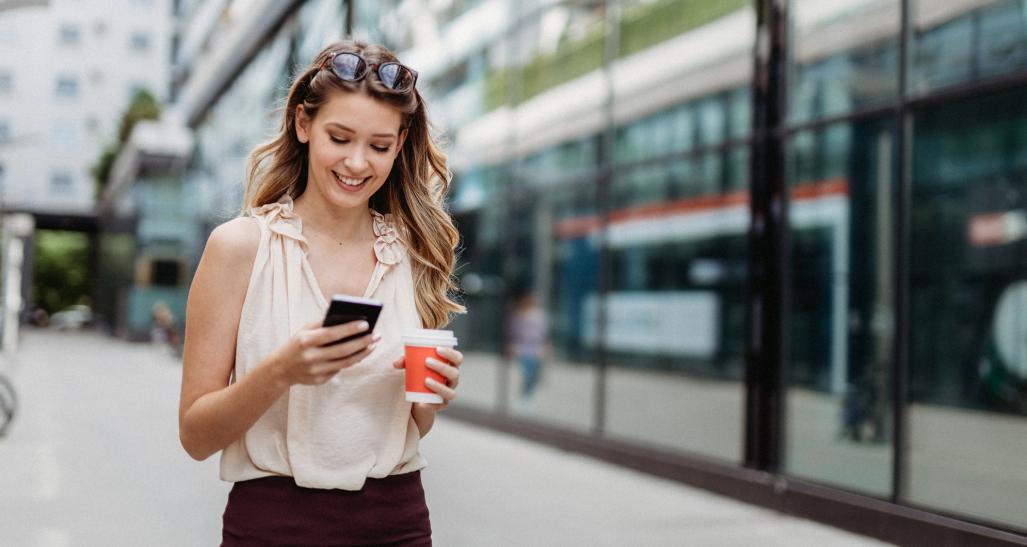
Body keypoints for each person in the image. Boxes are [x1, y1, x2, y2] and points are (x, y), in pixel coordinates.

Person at [178, 40, 465, 545]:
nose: (357, 163)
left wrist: (430, 400)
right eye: (340, 137)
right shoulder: (240, 248)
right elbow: (196, 437)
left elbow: (412, 428)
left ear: (399, 146)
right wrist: (280, 371)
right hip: (273, 525)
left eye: (379, 146)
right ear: (303, 125)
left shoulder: (412, 253)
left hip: (398, 521)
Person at [508, 291, 548, 412]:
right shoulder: (520, 316)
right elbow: (514, 332)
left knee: (534, 376)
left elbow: (544, 334)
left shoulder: (540, 316)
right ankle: (524, 398)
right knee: (527, 375)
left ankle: (528, 398)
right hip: (524, 349)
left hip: (536, 349)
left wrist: (545, 346)